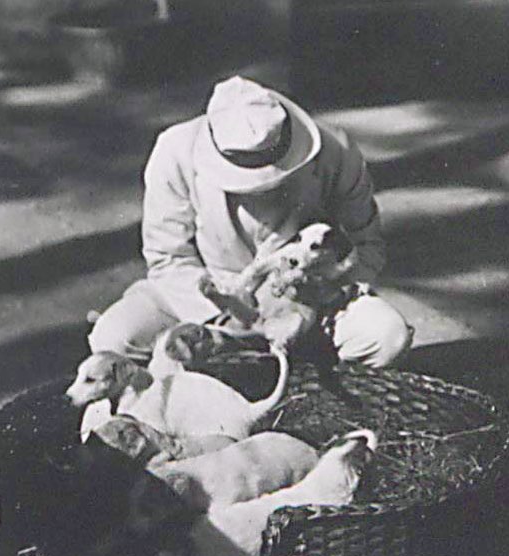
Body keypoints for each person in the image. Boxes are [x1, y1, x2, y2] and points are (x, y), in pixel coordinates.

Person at [88, 75, 412, 368]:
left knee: (387, 336)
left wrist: (321, 294)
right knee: (114, 336)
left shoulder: (336, 150)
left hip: (309, 296)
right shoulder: (174, 151)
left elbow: (367, 245)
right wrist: (222, 318)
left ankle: (309, 376)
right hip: (208, 295)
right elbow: (168, 258)